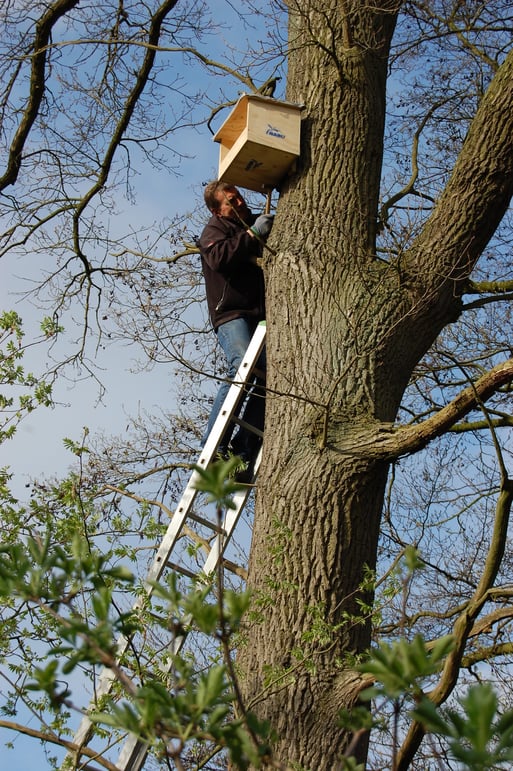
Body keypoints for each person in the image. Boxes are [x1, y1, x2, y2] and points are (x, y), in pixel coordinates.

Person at [198, 180, 274, 469]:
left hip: (259, 316)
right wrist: (252, 234)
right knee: (241, 364)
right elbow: (219, 257)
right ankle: (214, 447)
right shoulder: (215, 230)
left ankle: (243, 450)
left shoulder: (252, 221)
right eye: (231, 200)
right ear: (218, 210)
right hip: (232, 314)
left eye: (239, 196)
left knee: (269, 378)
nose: (240, 202)